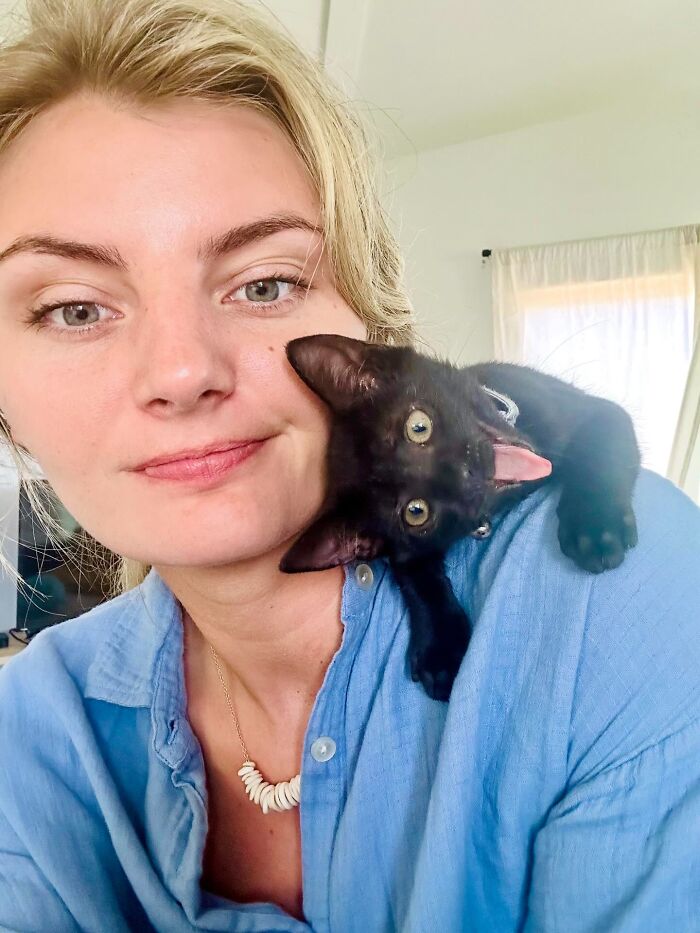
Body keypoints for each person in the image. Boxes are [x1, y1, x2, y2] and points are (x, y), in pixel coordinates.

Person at [0, 0, 698, 930]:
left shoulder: (611, 599)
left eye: (265, 283)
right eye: (75, 308)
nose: (181, 372)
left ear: (371, 334)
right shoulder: (31, 733)